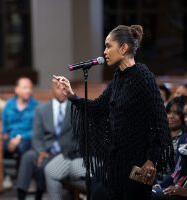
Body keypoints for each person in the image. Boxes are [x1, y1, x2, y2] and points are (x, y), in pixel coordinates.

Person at [53, 25, 174, 200]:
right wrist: (72, 96)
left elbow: (158, 122)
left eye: (109, 46)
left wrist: (151, 160)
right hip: (117, 162)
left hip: (138, 164)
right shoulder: (118, 77)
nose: (104, 52)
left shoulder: (142, 76)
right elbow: (98, 108)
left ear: (124, 48)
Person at [16, 83, 85, 200]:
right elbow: (36, 136)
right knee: (28, 157)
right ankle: (21, 195)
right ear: (52, 90)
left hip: (66, 152)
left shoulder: (75, 108)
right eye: (58, 88)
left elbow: (80, 135)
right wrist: (40, 151)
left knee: (43, 165)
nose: (62, 91)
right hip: (47, 149)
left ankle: (39, 193)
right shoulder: (41, 109)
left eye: (64, 89)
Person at [152, 96, 187, 200]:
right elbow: (176, 172)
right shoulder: (183, 139)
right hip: (163, 181)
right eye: (168, 112)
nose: (171, 116)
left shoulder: (182, 138)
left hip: (176, 186)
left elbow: (175, 171)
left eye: (176, 113)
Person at [1, 77, 39, 157]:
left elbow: (37, 130)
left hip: (27, 139)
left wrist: (19, 138)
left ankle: (21, 170)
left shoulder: (37, 106)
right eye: (25, 88)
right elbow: (3, 124)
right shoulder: (9, 105)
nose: (28, 91)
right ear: (17, 90)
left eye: (30, 88)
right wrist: (4, 135)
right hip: (10, 137)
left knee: (21, 147)